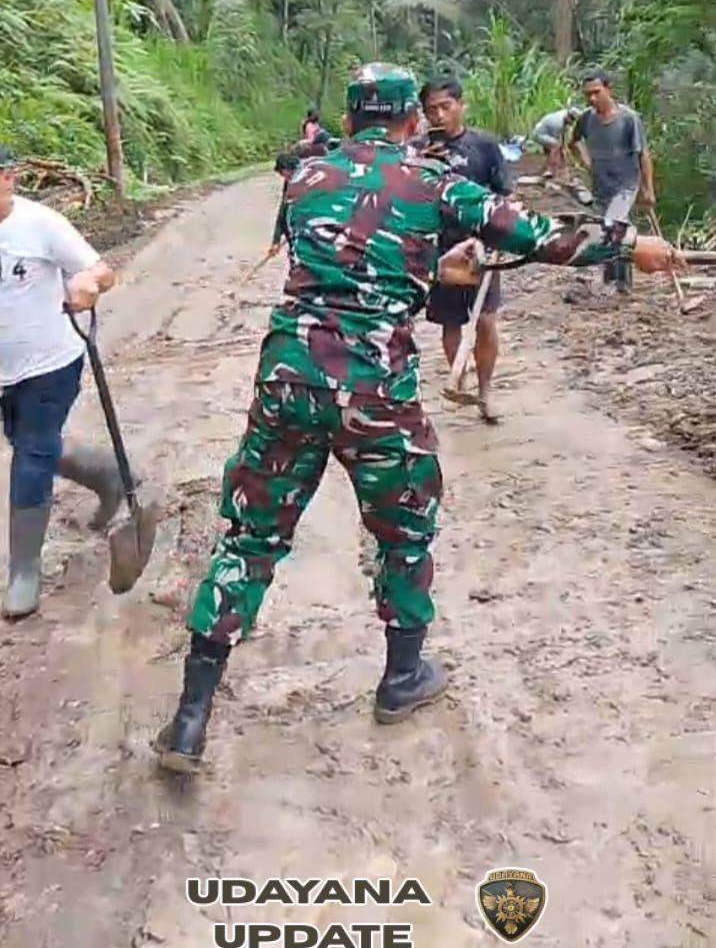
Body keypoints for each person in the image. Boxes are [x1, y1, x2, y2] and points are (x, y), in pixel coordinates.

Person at [153, 63, 678, 775]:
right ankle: (401, 679)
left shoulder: (303, 179)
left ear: (349, 121)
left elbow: (350, 254)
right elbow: (537, 236)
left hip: (290, 376)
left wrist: (431, 268)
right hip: (374, 388)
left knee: (250, 539)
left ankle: (189, 718)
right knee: (405, 530)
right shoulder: (434, 182)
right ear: (411, 121)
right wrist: (628, 247)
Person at [0, 145, 139, 620]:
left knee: (32, 451)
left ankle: (23, 570)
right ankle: (108, 475)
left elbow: (101, 270)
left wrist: (86, 285)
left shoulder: (41, 225)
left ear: (10, 178)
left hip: (49, 363)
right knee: (24, 441)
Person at [419, 76, 512, 425]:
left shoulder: (484, 147)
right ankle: (460, 375)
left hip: (479, 247)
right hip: (440, 248)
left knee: (486, 320)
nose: (439, 115)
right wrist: (421, 164)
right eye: (432, 110)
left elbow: (505, 194)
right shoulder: (418, 151)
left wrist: (501, 234)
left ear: (461, 105)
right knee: (451, 323)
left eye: (446, 106)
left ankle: (486, 391)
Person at [568, 69, 656, 297]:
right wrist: (587, 162)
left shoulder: (628, 119)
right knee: (606, 230)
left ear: (609, 89)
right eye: (587, 94)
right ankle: (614, 280)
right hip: (601, 185)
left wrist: (648, 189)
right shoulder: (586, 118)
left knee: (614, 224)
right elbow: (573, 143)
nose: (592, 99)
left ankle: (622, 283)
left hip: (626, 183)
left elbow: (643, 154)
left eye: (596, 92)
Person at [532, 107, 580, 178]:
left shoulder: (564, 114)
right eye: (572, 119)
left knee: (554, 148)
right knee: (555, 147)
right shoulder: (558, 124)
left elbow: (563, 136)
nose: (572, 122)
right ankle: (550, 170)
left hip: (546, 132)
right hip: (539, 134)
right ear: (568, 116)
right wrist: (564, 154)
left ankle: (549, 168)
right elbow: (558, 144)